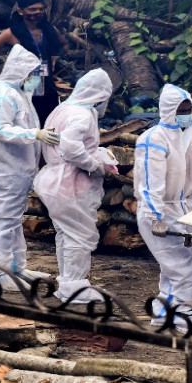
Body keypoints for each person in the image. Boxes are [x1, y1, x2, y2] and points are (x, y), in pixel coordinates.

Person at [134, 84, 192, 333]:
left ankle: (165, 311)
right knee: (181, 265)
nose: (186, 114)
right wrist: (154, 215)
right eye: (181, 110)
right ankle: (183, 312)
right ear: (168, 110)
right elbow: (151, 182)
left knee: (180, 262)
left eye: (189, 109)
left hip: (182, 208)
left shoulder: (190, 135)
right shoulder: (152, 139)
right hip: (160, 210)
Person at [0, 45, 60, 291]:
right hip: (7, 167)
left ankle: (15, 267)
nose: (36, 79)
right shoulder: (2, 95)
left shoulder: (16, 93)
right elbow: (1, 131)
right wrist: (35, 134)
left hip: (18, 166)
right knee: (5, 218)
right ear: (21, 71)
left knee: (13, 218)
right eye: (33, 74)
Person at [33, 69, 116, 304]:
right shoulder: (82, 115)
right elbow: (70, 148)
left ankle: (68, 282)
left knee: (66, 233)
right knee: (79, 235)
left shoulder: (63, 108)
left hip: (53, 178)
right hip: (69, 181)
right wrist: (94, 165)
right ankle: (75, 288)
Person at [0, 0, 68, 124]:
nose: (38, 12)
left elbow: (64, 45)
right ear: (21, 11)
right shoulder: (11, 33)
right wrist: (1, 77)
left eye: (41, 9)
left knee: (51, 124)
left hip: (48, 87)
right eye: (32, 9)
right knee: (31, 125)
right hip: (25, 89)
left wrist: (54, 59)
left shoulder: (50, 30)